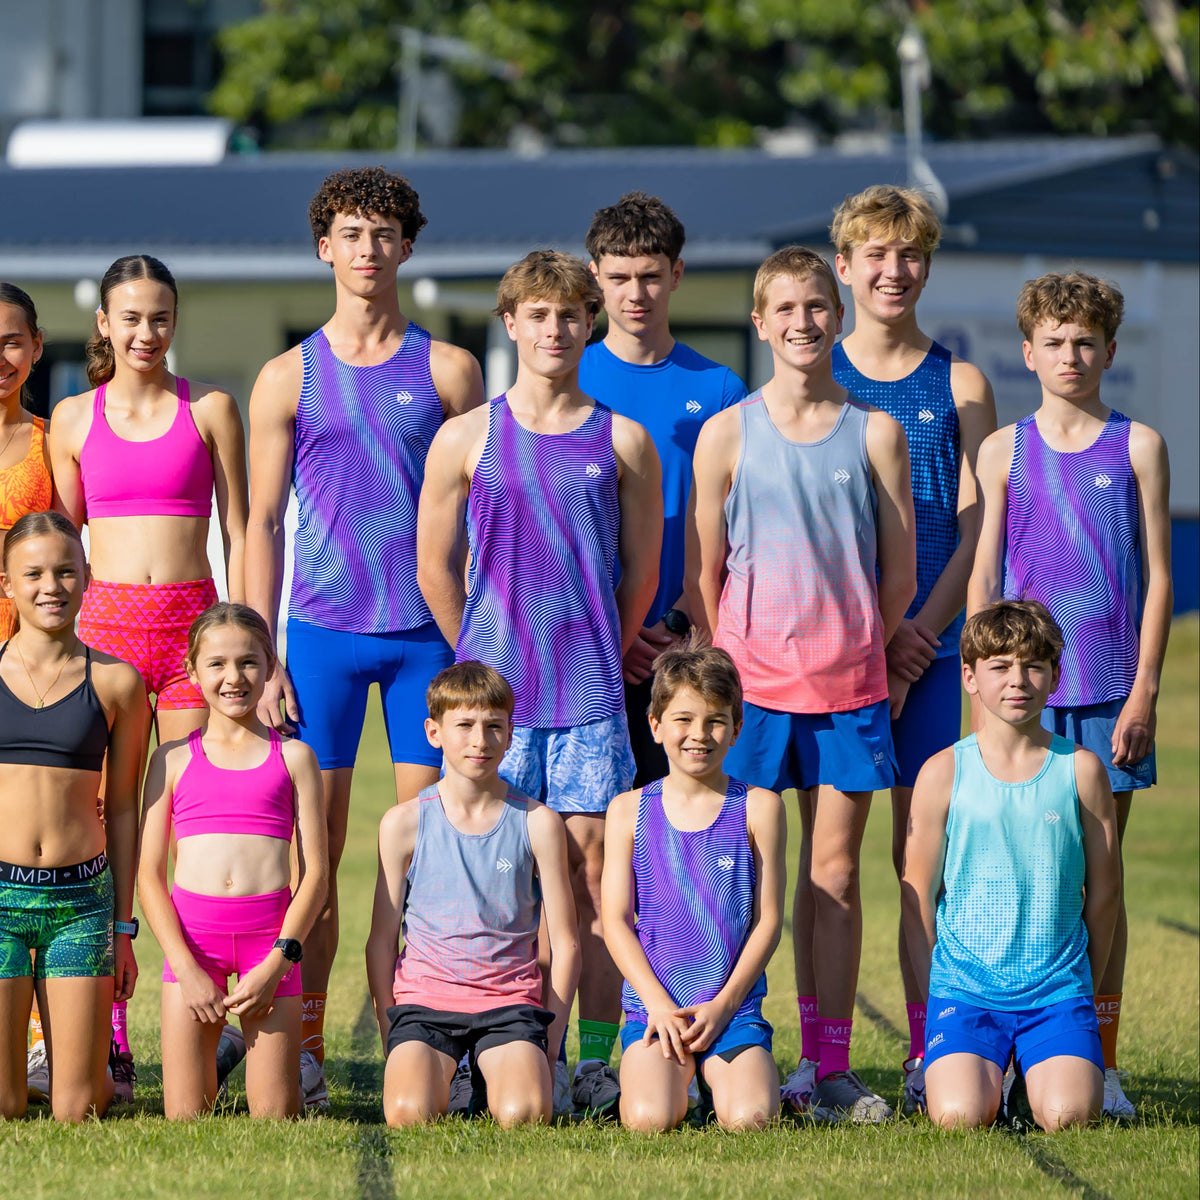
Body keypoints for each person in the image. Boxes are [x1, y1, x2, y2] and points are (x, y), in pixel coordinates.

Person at [245, 167, 484, 1104]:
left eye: (385, 233)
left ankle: (428, 1036)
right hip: (322, 634)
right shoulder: (285, 375)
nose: (368, 249)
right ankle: (304, 1041)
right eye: (351, 232)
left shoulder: (449, 370)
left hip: (429, 637)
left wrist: (477, 632)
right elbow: (262, 522)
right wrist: (264, 654)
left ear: (407, 247)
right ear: (324, 248)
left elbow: (483, 508)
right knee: (321, 848)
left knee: (432, 844)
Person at [417, 250, 662, 1116]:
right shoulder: (466, 436)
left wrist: (606, 646)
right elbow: (434, 567)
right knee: (496, 883)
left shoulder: (622, 438)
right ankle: (496, 1050)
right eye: (537, 315)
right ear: (509, 323)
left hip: (592, 702)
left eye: (570, 315)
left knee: (597, 893)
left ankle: (589, 1061)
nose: (554, 330)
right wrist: (479, 663)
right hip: (498, 709)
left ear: (590, 324)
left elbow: (638, 574)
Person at [686, 246, 915, 1122]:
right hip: (750, 699)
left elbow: (897, 574)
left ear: (838, 312)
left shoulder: (876, 432)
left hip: (850, 694)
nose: (804, 322)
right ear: (760, 321)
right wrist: (733, 666)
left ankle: (827, 1068)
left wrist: (858, 646)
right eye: (785, 308)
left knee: (834, 881)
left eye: (818, 306)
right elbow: (704, 575)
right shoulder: (728, 433)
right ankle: (718, 1047)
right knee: (732, 878)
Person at [968, 271, 1172, 1120]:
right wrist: (980, 687)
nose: (1070, 355)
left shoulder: (1139, 447)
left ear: (1109, 351)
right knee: (1016, 879)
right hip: (1020, 697)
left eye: (1085, 341)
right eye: (1053, 341)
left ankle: (1104, 1058)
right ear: (1028, 352)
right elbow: (984, 571)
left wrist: (1143, 692)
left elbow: (1161, 576)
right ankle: (1016, 1054)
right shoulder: (1003, 449)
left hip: (1106, 695)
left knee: (1099, 886)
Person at [48, 254, 249, 1098]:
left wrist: (249, 644)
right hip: (108, 635)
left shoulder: (208, 410)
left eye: (159, 318)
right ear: (103, 323)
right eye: (129, 318)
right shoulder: (70, 418)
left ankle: (205, 1009)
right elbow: (57, 555)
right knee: (107, 821)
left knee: (187, 824)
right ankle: (115, 1031)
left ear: (175, 322)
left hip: (193, 635)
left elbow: (240, 528)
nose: (145, 333)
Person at [828, 185, 997, 1113]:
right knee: (833, 865)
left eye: (911, 256)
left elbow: (976, 523)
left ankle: (933, 1048)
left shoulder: (961, 382)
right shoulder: (819, 375)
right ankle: (828, 1058)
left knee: (925, 863)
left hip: (931, 654)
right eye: (875, 255)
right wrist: (871, 637)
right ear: (844, 266)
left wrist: (923, 632)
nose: (894, 272)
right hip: (842, 656)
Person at [902, 600, 1121, 1130]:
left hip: (1057, 991)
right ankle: (952, 1073)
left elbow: (1107, 894)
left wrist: (1081, 989)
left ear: (1055, 675)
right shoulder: (942, 772)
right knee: (959, 1116)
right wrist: (935, 997)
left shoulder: (1082, 770)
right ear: (970, 676)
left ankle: (1032, 1076)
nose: (1017, 680)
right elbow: (917, 899)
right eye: (999, 666)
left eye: (1033, 666)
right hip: (965, 989)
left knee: (1068, 1115)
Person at [365, 661, 580, 1128]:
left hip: (508, 1002)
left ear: (509, 733)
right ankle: (455, 1069)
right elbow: (381, 941)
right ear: (434, 731)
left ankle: (488, 1072)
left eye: (493, 726)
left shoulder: (537, 822)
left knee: (523, 1114)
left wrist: (552, 1040)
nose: (479, 740)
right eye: (464, 725)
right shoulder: (403, 822)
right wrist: (390, 1029)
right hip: (426, 1002)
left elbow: (565, 943)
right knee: (408, 1114)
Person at [579, 192, 747, 787]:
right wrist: (612, 631)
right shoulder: (569, 378)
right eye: (619, 277)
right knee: (587, 840)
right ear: (595, 277)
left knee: (676, 825)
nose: (635, 293)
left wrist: (681, 621)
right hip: (587, 643)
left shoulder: (721, 388)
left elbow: (733, 526)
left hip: (681, 642)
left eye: (650, 276)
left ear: (676, 274)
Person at [138, 603, 326, 1119]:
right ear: (193, 670)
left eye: (248, 662)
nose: (233, 677)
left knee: (274, 1118)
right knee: (185, 1116)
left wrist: (278, 963)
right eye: (216, 664)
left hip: (270, 949)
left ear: (269, 665)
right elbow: (149, 878)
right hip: (194, 951)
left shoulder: (295, 759)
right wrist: (184, 966)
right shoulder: (172, 759)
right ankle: (226, 1040)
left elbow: (316, 877)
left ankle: (242, 1040)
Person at [601, 642, 785, 1132]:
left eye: (715, 720)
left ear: (737, 728)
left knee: (751, 1119)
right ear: (656, 725)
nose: (699, 735)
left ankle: (725, 1076)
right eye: (683, 720)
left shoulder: (759, 807)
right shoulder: (628, 811)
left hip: (732, 1008)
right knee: (648, 1119)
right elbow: (615, 921)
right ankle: (681, 1081)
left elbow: (769, 921)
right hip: (655, 1010)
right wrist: (658, 1006)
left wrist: (725, 1005)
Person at [0, 512, 146, 1122]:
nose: (50, 586)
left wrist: (122, 928)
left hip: (79, 904)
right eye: (32, 574)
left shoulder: (118, 683)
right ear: (7, 584)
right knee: (4, 1107)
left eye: (65, 571)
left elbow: (124, 811)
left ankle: (91, 1069)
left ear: (88, 577)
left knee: (76, 1109)